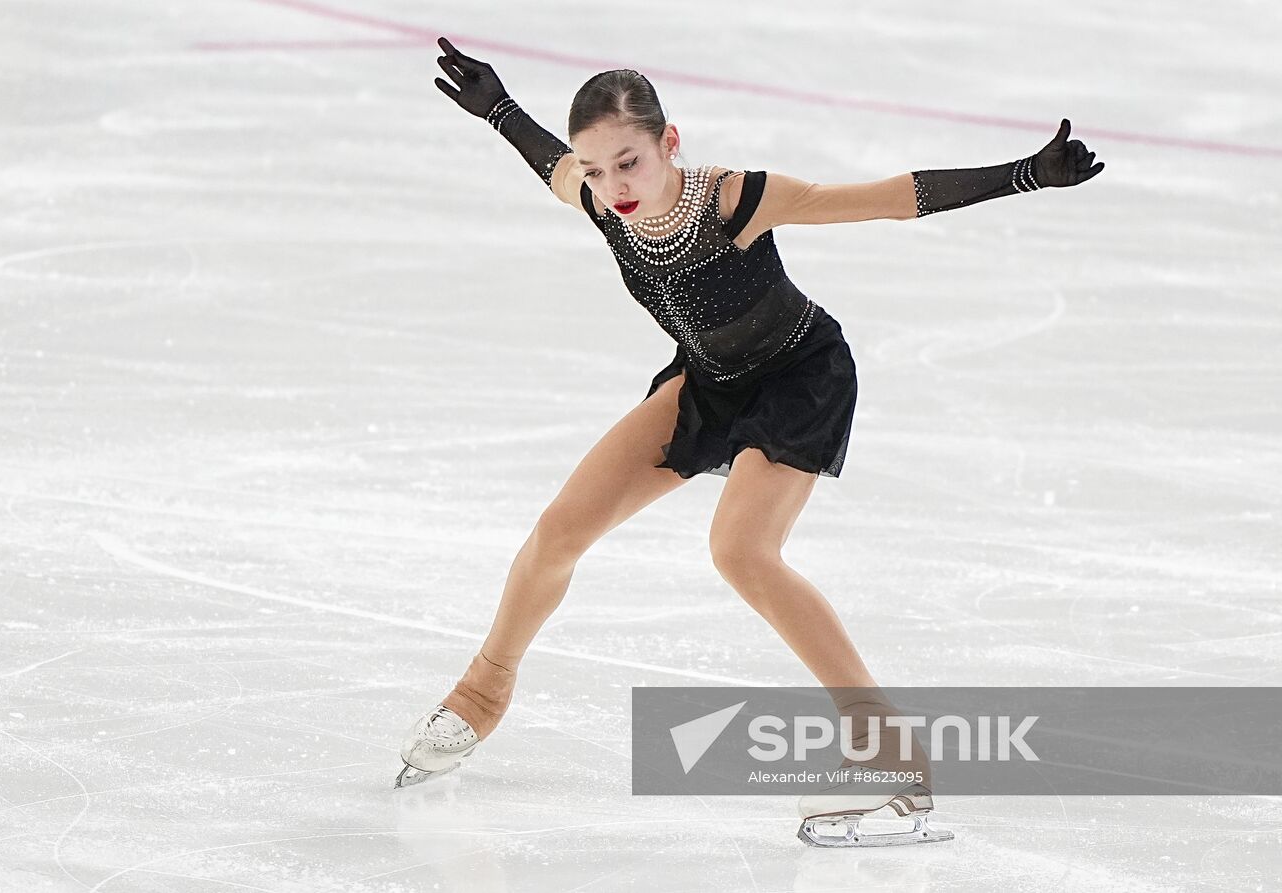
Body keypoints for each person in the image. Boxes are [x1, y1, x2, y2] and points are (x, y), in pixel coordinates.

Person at [395, 36, 1104, 849]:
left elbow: (886, 199)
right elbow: (549, 161)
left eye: (628, 162)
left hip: (800, 376)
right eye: (597, 170)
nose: (612, 186)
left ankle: (889, 750)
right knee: (560, 530)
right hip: (705, 383)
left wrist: (1025, 173)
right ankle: (481, 696)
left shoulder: (741, 199)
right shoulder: (595, 196)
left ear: (670, 142)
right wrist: (497, 107)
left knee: (741, 550)